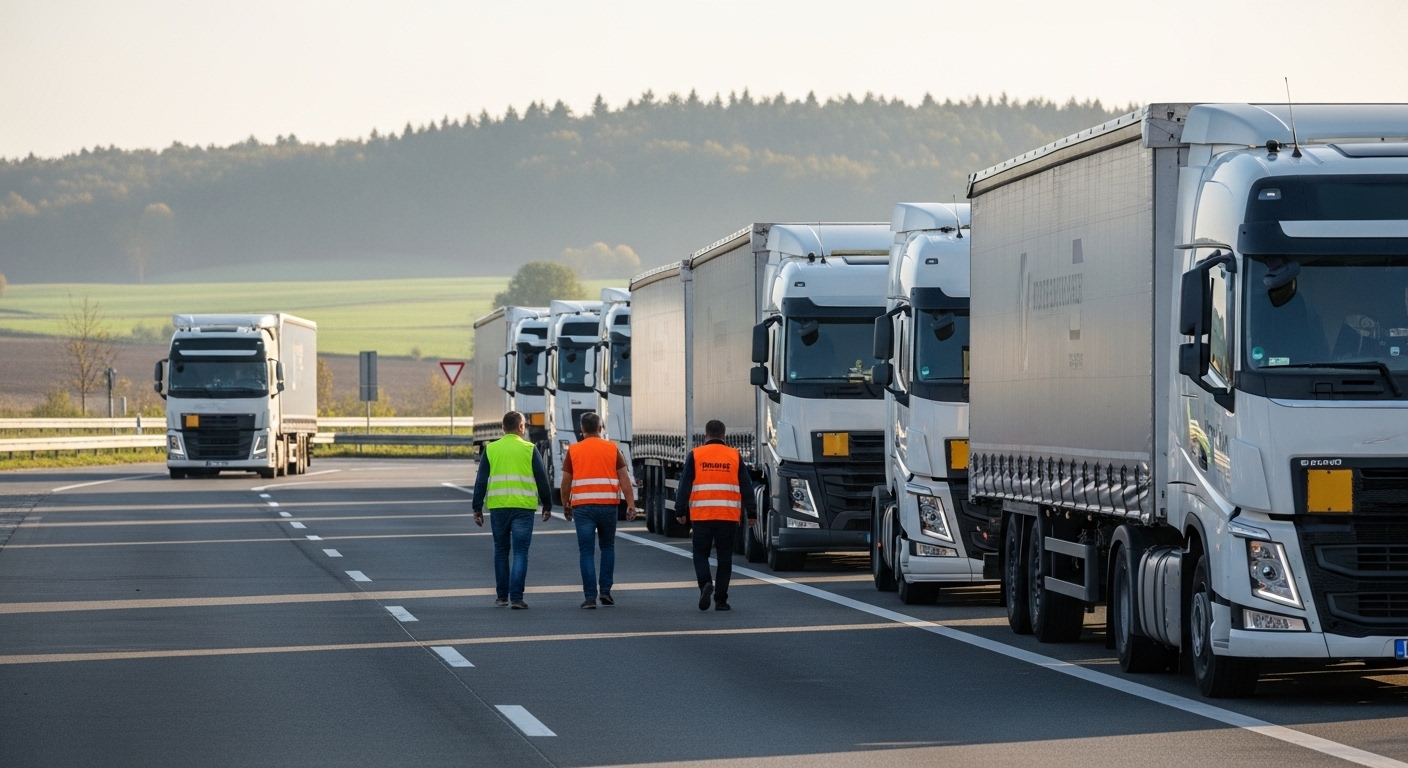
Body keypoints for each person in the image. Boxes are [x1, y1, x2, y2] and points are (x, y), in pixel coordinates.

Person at [472, 411, 553, 609]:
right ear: (520, 427)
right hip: (523, 507)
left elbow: (481, 480)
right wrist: (547, 505)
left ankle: (501, 596)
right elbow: (542, 479)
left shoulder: (491, 449)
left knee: (500, 551)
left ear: (502, 427)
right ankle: (516, 597)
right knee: (520, 552)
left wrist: (477, 508)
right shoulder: (529, 449)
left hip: (499, 507)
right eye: (524, 425)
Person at [675, 419, 757, 611]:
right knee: (725, 558)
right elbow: (747, 486)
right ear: (724, 435)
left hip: (702, 515)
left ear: (706, 435)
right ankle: (721, 600)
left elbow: (684, 485)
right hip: (727, 515)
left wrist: (680, 510)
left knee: (700, 554)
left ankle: (705, 583)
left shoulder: (696, 455)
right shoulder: (734, 455)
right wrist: (752, 512)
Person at [561, 412, 637, 609]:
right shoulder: (613, 449)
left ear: (582, 429)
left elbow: (566, 482)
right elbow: (624, 479)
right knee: (607, 547)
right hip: (608, 506)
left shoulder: (574, 450)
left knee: (586, 552)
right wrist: (630, 504)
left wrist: (566, 504)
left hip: (583, 508)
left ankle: (589, 597)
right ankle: (605, 591)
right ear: (600, 428)